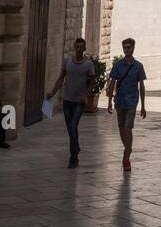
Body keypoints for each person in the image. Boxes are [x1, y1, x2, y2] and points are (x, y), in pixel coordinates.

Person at [46, 37, 95, 168]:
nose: (79, 49)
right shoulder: (67, 62)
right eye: (77, 46)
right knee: (70, 128)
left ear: (84, 48)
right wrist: (52, 93)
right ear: (75, 47)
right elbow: (60, 79)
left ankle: (73, 157)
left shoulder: (89, 65)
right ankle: (76, 148)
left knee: (73, 126)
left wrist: (85, 94)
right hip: (67, 100)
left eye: (81, 47)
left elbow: (92, 81)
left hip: (79, 102)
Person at [107, 37, 147, 172]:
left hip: (132, 101)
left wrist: (143, 105)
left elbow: (141, 86)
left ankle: (126, 157)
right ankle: (128, 148)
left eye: (129, 47)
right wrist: (109, 102)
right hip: (119, 100)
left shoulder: (138, 66)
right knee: (121, 128)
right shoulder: (118, 65)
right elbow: (112, 83)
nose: (126, 50)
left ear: (133, 48)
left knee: (128, 128)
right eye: (125, 47)